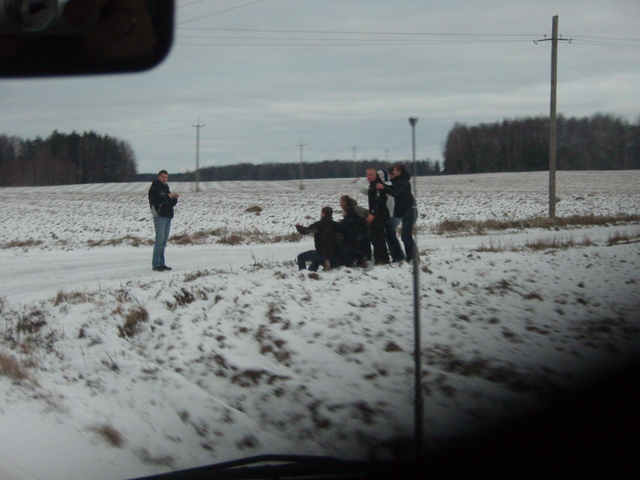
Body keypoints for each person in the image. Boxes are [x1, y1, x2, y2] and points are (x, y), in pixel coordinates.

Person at [376, 164, 416, 261]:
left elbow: (395, 192)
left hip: (410, 210)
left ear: (399, 171)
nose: (390, 175)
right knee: (405, 236)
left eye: (393, 172)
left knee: (406, 236)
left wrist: (383, 187)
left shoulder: (403, 182)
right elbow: (391, 188)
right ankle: (410, 257)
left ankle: (413, 258)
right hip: (404, 211)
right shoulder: (398, 181)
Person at [148, 170, 179, 271]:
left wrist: (174, 198)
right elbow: (157, 202)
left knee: (164, 242)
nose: (165, 179)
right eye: (163, 177)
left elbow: (169, 203)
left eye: (166, 177)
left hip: (167, 216)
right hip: (159, 216)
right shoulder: (154, 188)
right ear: (159, 177)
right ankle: (156, 264)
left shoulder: (165, 188)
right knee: (159, 241)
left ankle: (162, 263)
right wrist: (167, 196)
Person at [295, 206, 339, 272]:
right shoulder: (335, 225)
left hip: (320, 253)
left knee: (301, 257)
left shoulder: (319, 225)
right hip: (333, 254)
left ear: (323, 214)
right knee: (315, 262)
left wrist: (298, 227)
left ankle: (303, 273)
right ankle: (325, 262)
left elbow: (306, 231)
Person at [365, 168, 390, 265]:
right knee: (376, 237)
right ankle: (382, 258)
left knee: (377, 238)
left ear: (376, 175)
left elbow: (379, 201)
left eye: (371, 174)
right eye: (367, 174)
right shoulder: (372, 184)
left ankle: (381, 259)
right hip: (376, 214)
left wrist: (373, 214)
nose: (369, 176)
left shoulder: (378, 185)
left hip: (380, 215)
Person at [335, 200, 370, 267]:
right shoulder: (361, 220)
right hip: (363, 247)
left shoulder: (345, 222)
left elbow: (342, 231)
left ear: (346, 212)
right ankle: (361, 259)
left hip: (351, 246)